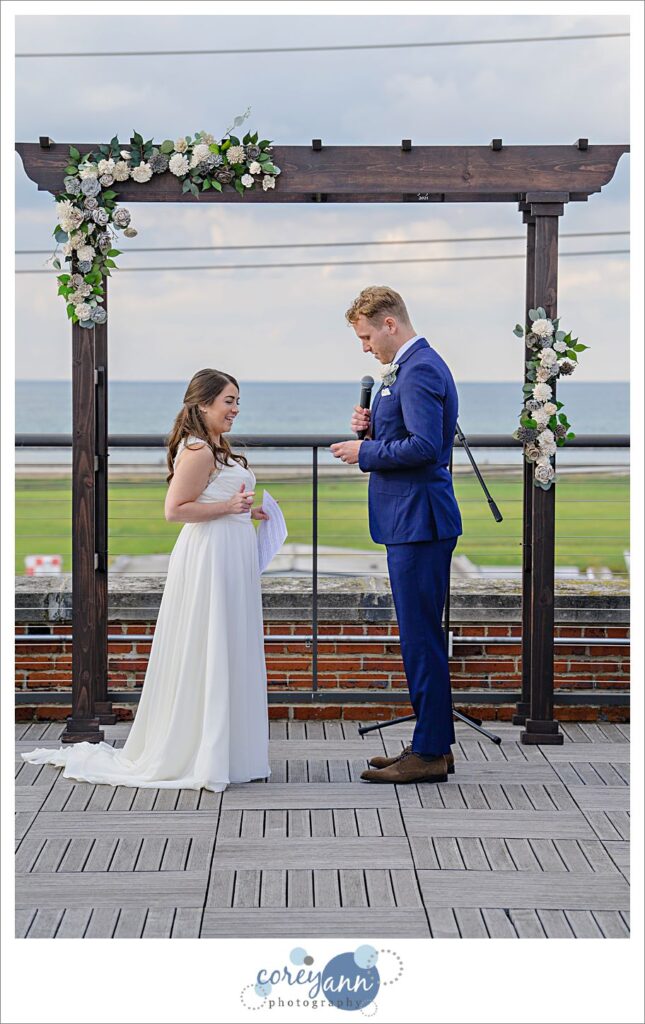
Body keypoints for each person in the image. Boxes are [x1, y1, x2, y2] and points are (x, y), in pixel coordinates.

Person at [20, 369, 272, 793]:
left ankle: (227, 751)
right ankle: (198, 751)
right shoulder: (198, 450)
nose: (235, 409)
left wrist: (246, 511)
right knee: (205, 644)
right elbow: (176, 510)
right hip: (208, 557)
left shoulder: (216, 447)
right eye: (228, 401)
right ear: (204, 404)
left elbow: (216, 503)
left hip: (229, 554)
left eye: (236, 401)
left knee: (226, 643)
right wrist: (229, 505)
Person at [330, 286, 463, 785]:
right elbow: (407, 438)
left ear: (390, 324)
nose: (365, 348)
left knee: (421, 638)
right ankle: (433, 743)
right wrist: (372, 433)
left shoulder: (421, 368)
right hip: (410, 520)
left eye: (366, 336)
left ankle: (429, 754)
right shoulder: (408, 369)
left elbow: (428, 447)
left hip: (420, 521)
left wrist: (363, 454)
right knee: (418, 636)